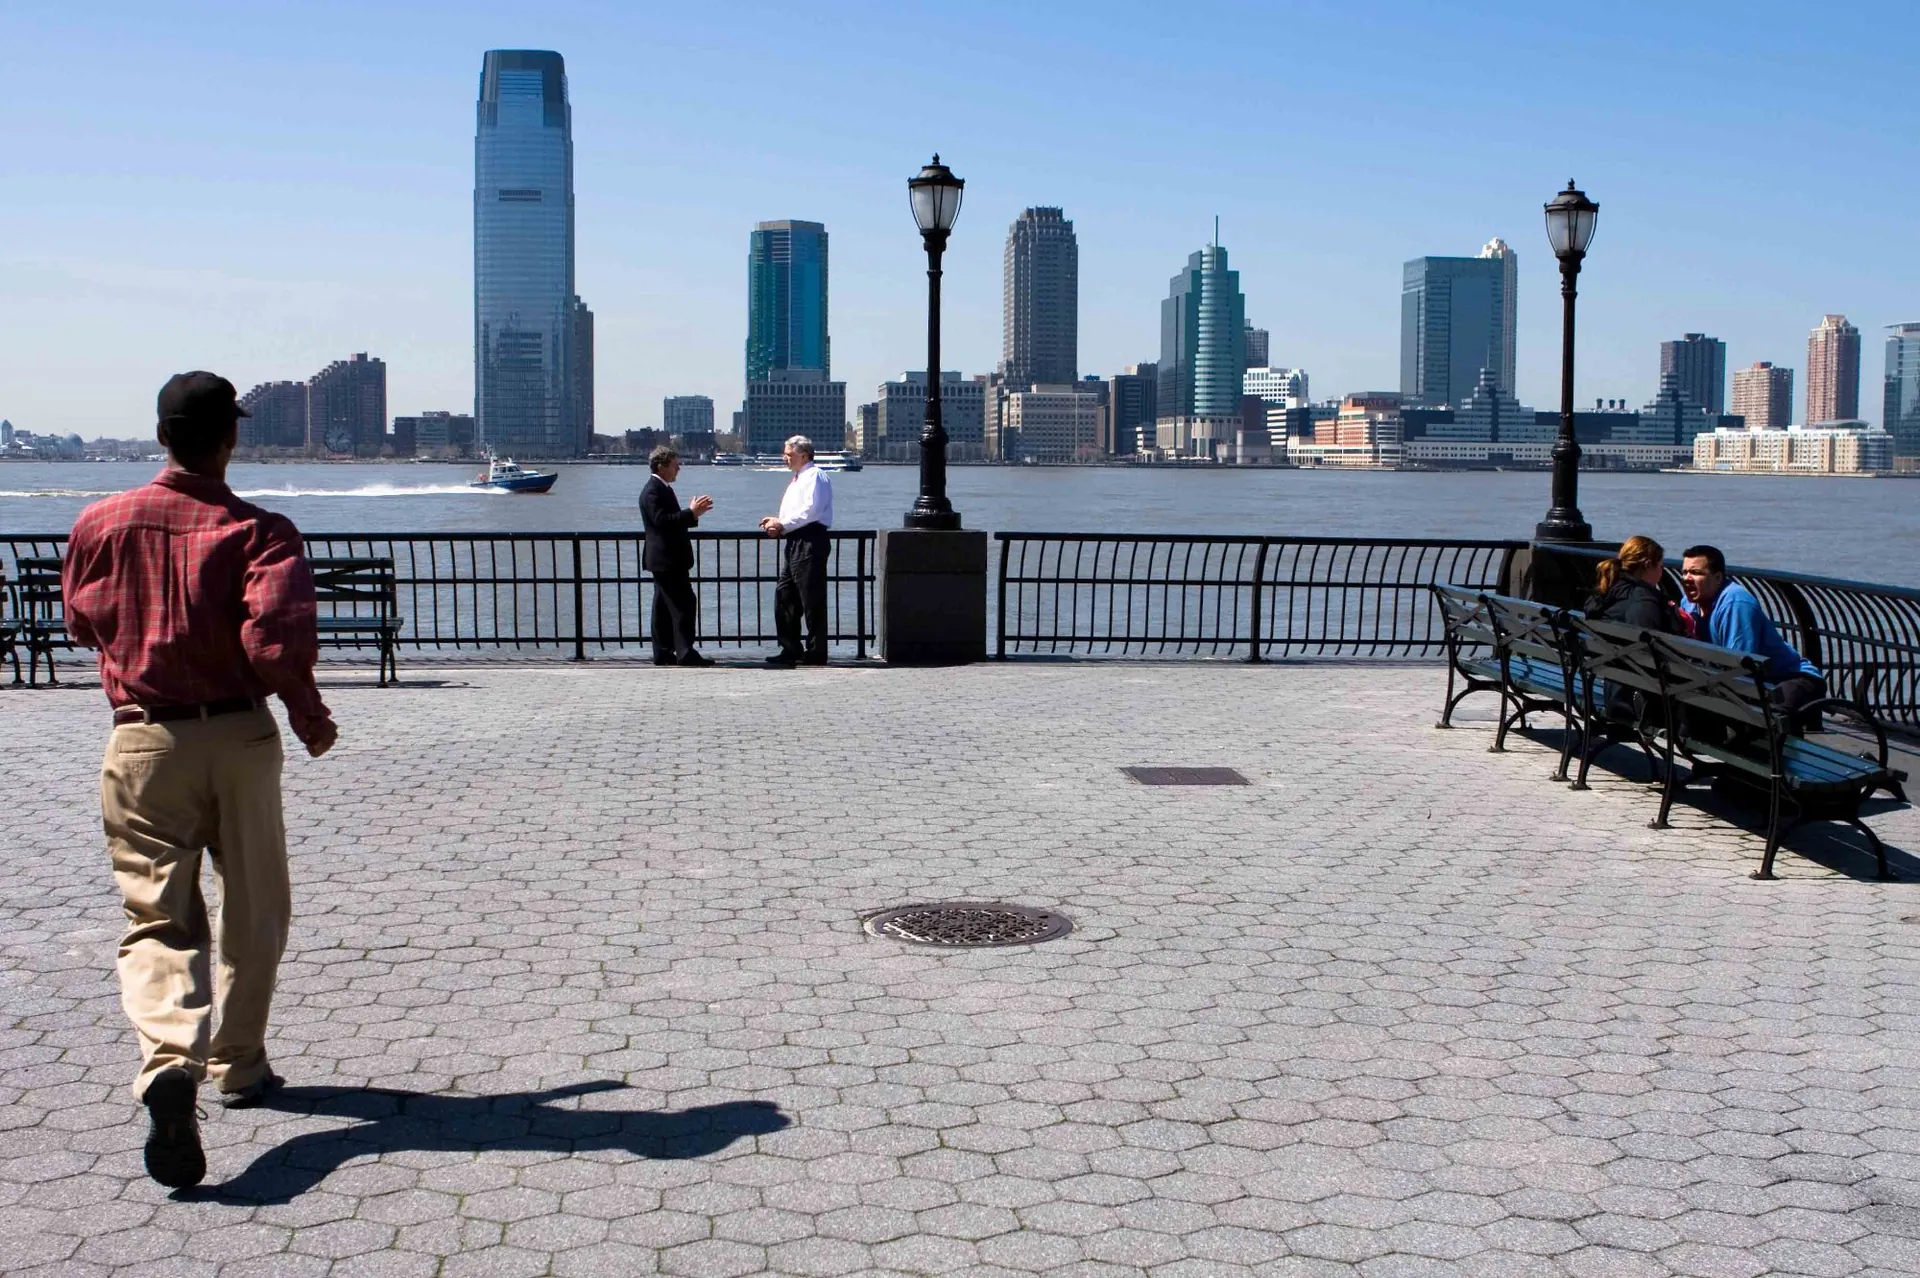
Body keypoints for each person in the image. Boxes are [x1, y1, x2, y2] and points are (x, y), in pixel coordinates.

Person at [62, 372, 339, 1190]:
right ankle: (241, 1066)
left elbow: (82, 621)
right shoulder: (260, 530)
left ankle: (168, 1067)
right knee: (257, 904)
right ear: (231, 439)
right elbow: (275, 642)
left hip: (143, 740)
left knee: (158, 915)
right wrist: (309, 714)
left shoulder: (98, 522)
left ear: (160, 436)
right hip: (241, 736)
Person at [1679, 543, 1825, 730]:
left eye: (1696, 573)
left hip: (1791, 679)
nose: (1687, 579)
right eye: (1684, 573)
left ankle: (1782, 757)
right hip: (1755, 683)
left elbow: (1740, 665)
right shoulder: (1689, 603)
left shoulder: (1735, 603)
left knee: (1768, 718)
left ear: (1717, 578)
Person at [1582, 535, 1687, 723]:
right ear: (1648, 565)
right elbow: (1654, 651)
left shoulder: (1605, 594)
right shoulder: (1643, 600)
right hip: (1644, 700)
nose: (1662, 572)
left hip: (1615, 686)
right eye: (1660, 566)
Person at [759, 434, 833, 667]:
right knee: (785, 596)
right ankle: (790, 648)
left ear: (803, 454)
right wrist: (779, 520)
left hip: (810, 540)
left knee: (811, 599)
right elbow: (798, 512)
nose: (785, 458)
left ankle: (816, 651)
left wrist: (782, 524)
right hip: (796, 540)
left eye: (789, 454)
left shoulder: (815, 476)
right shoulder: (799, 478)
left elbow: (811, 511)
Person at [639, 445, 715, 667]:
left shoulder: (660, 488)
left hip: (666, 559)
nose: (679, 469)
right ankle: (684, 652)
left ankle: (663, 652)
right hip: (666, 559)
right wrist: (691, 513)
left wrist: (691, 515)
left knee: (663, 607)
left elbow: (668, 520)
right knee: (684, 603)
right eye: (675, 465)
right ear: (661, 467)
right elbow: (662, 521)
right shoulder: (653, 490)